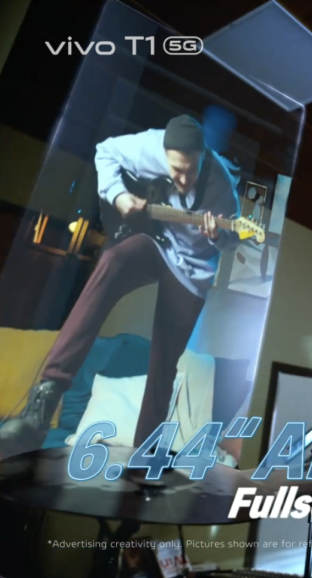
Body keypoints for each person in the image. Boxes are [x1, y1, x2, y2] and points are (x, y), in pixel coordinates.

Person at [0, 115, 241, 457]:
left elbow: (232, 239)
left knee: (165, 360)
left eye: (192, 171)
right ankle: (40, 409)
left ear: (204, 158)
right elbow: (105, 152)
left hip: (191, 270)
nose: (184, 180)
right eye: (177, 170)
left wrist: (218, 235)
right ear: (163, 153)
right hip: (154, 242)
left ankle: (146, 450)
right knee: (113, 260)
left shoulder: (221, 185)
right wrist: (119, 195)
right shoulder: (148, 145)